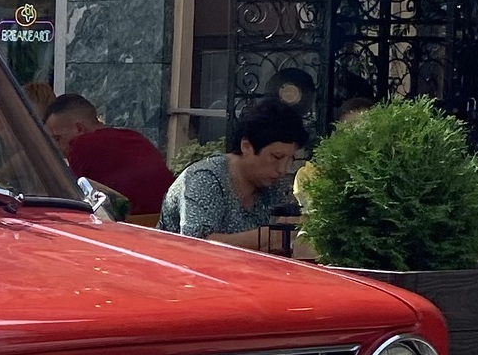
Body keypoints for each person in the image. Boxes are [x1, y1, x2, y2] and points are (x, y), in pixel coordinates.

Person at [158, 96, 310, 253]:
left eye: (290, 159)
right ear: (246, 146)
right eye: (277, 157)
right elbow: (197, 244)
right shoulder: (204, 179)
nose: (282, 169)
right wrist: (270, 236)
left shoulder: (275, 184)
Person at [44, 94, 173, 214]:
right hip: (164, 222)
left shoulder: (81, 145)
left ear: (79, 128)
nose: (57, 147)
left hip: (130, 228)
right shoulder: (134, 136)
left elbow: (67, 199)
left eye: (57, 139)